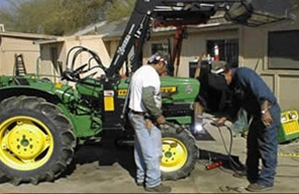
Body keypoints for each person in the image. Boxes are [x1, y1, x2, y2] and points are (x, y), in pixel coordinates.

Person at [214, 63, 281, 192]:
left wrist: (264, 112)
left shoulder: (244, 74)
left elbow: (262, 92)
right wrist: (226, 117)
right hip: (257, 115)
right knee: (252, 145)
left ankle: (266, 181)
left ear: (226, 73)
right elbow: (236, 103)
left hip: (268, 112)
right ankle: (252, 173)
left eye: (223, 79)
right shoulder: (232, 84)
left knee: (267, 146)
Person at [128, 53, 172, 193]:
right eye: (164, 68)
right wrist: (157, 115)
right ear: (160, 63)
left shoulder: (140, 71)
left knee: (141, 149)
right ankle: (153, 183)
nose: (164, 71)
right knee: (153, 152)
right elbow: (147, 97)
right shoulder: (151, 74)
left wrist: (162, 95)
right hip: (145, 117)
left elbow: (142, 93)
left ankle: (142, 177)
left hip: (136, 114)